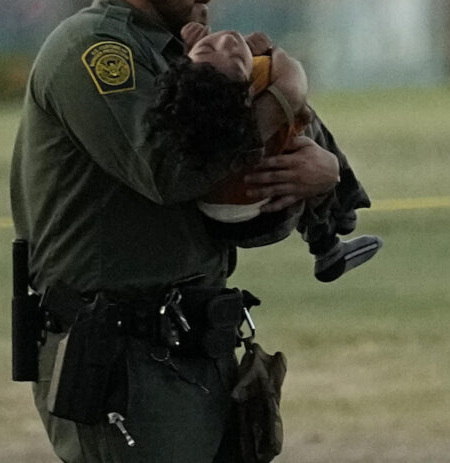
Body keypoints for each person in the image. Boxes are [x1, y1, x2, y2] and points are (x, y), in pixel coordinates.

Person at [9, 0, 343, 462]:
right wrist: (284, 93)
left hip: (195, 351)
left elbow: (227, 203)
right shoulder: (92, 50)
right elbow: (171, 172)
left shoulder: (176, 57)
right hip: (122, 361)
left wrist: (309, 171)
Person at [149, 22, 383, 282]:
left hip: (211, 221)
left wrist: (199, 50)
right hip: (268, 214)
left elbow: (202, 78)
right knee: (305, 136)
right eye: (237, 60)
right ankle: (336, 222)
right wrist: (272, 53)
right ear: (247, 94)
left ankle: (331, 237)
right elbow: (293, 79)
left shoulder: (191, 107)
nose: (226, 42)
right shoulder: (265, 88)